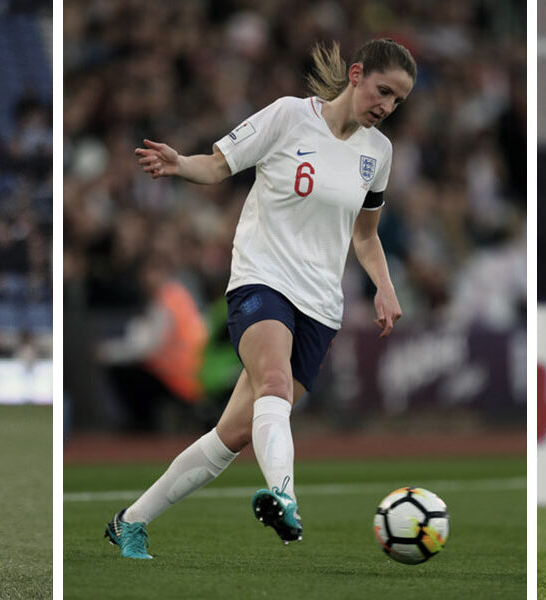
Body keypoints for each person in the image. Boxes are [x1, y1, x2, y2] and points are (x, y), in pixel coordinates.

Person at [105, 38, 415, 559]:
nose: (386, 107)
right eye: (383, 91)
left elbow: (365, 234)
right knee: (273, 382)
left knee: (232, 435)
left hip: (320, 306)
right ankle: (284, 498)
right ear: (356, 75)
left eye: (398, 102)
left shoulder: (378, 154)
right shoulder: (289, 117)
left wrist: (384, 285)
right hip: (261, 279)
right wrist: (180, 164)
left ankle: (130, 520)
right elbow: (219, 164)